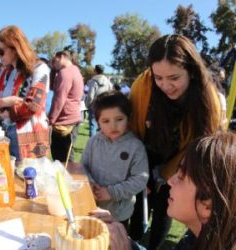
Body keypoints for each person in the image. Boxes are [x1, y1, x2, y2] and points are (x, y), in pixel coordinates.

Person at [128, 34, 223, 249]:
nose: (165, 85)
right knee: (138, 202)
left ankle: (153, 245)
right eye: (158, 78)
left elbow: (199, 145)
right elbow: (133, 130)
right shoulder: (142, 85)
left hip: (183, 157)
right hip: (145, 151)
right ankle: (132, 239)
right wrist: (140, 170)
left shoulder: (209, 99)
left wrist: (167, 174)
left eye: (174, 77)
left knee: (165, 206)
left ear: (191, 70)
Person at [91, 131, 236, 250]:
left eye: (181, 176)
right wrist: (124, 240)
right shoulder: (199, 236)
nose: (170, 181)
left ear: (207, 205)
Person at [81, 91, 148, 226]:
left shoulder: (136, 146)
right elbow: (83, 167)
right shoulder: (93, 141)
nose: (113, 126)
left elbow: (140, 179)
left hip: (119, 213)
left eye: (119, 119)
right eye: (106, 121)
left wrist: (112, 192)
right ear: (98, 122)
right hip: (92, 206)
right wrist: (90, 184)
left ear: (128, 118)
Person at [0, 25, 50, 161]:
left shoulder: (39, 68)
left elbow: (33, 106)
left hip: (30, 135)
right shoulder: (2, 74)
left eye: (0, 51)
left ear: (15, 48)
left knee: (29, 178)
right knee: (3, 178)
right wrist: (4, 102)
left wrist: (5, 112)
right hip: (3, 134)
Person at [48, 49, 84, 162]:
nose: (54, 64)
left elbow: (59, 98)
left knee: (61, 159)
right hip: (72, 118)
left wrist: (51, 119)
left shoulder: (65, 72)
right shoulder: (75, 70)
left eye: (54, 61)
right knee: (67, 157)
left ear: (62, 56)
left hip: (65, 120)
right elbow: (52, 87)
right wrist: (53, 70)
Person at [84, 64, 113, 137]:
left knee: (93, 125)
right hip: (104, 106)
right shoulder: (108, 82)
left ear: (95, 71)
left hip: (94, 105)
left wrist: (87, 105)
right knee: (103, 126)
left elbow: (90, 96)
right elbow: (111, 93)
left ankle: (93, 145)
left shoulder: (93, 81)